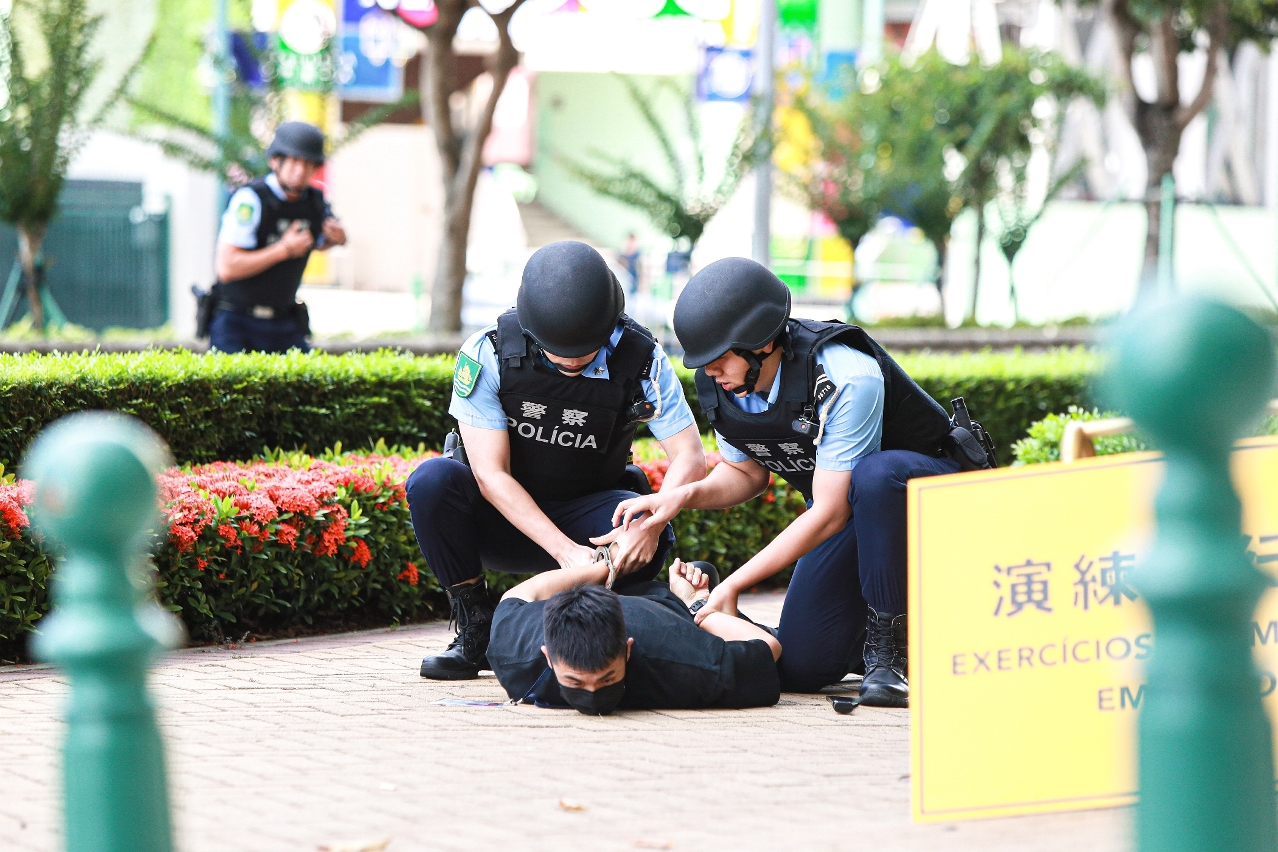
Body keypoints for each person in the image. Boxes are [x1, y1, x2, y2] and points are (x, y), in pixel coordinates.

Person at [612, 257, 984, 707]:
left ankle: (890, 654)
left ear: (762, 343)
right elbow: (746, 475)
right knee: (803, 666)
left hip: (933, 503)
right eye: (703, 362)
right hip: (853, 511)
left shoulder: (846, 375)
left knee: (876, 474)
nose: (709, 372)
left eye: (719, 358)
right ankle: (893, 641)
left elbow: (829, 512)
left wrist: (733, 584)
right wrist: (677, 497)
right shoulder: (727, 385)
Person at [407, 240, 707, 681]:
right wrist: (565, 553)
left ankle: (600, 637)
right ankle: (476, 627)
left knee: (642, 518)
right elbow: (490, 474)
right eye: (557, 349)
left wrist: (650, 524)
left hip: (589, 517)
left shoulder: (642, 358)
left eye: (585, 348)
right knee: (432, 480)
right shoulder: (489, 351)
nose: (571, 359)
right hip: (502, 520)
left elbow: (690, 456)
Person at [488, 559, 781, 713]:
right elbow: (521, 593)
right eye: (574, 682)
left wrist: (696, 604)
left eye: (607, 679)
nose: (592, 695)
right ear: (548, 657)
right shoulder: (512, 656)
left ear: (628, 651)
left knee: (797, 670)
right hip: (609, 594)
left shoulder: (684, 663)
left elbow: (769, 648)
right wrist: (607, 567)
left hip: (668, 609)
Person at [210, 121, 347, 353]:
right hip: (237, 322)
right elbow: (227, 267)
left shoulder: (314, 202)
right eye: (294, 161)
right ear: (275, 160)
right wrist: (284, 250)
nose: (300, 170)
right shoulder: (251, 200)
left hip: (284, 321)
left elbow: (317, 241)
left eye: (308, 163)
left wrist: (335, 238)